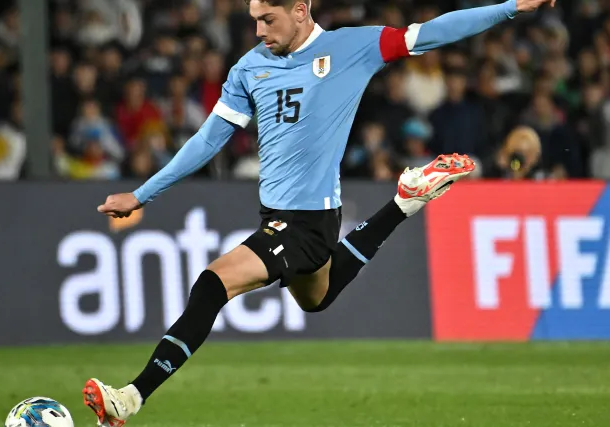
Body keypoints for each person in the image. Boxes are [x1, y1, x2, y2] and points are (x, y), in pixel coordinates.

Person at [83, 0, 557, 425]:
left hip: (306, 222)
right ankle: (404, 202)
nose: (258, 31)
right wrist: (143, 193)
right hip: (279, 218)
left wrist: (511, 6)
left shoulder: (354, 47)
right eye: (253, 20)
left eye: (268, 19)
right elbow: (209, 139)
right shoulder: (250, 68)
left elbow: (431, 31)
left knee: (213, 282)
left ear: (301, 10)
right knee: (317, 298)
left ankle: (131, 397)